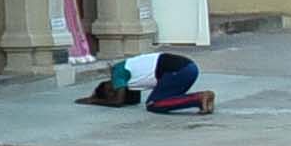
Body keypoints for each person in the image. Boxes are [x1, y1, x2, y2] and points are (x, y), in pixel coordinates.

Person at [82, 49, 212, 115]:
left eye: (110, 92)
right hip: (188, 67)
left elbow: (118, 102)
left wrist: (93, 101)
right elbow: (134, 100)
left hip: (178, 71)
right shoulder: (129, 80)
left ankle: (199, 98)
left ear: (107, 87)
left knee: (153, 104)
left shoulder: (117, 71)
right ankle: (203, 99)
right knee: (167, 99)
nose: (115, 92)